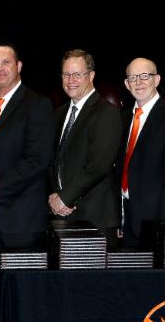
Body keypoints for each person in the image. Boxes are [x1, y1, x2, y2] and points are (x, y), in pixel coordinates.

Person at [0, 42, 53, 249]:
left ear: (19, 66)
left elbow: (37, 160)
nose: (0, 68)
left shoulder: (38, 104)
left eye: (6, 62)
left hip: (22, 218)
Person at [47, 49, 122, 242]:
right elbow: (52, 161)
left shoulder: (107, 113)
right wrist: (55, 195)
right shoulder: (58, 114)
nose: (70, 80)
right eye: (66, 74)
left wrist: (65, 198)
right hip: (62, 215)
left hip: (95, 218)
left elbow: (98, 166)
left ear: (91, 76)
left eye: (77, 74)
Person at [117, 58, 165, 246]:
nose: (138, 82)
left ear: (157, 80)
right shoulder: (123, 119)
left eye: (144, 76)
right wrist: (119, 217)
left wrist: (161, 227)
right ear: (127, 84)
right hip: (127, 219)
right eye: (133, 78)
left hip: (154, 222)